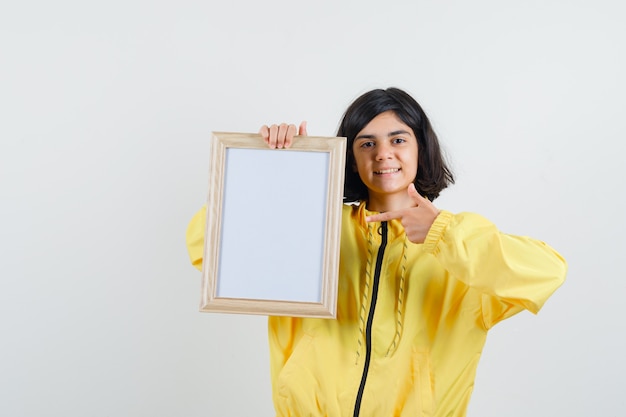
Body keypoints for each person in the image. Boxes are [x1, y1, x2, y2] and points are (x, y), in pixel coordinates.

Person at [186, 87, 567, 417]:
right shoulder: (313, 226)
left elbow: (549, 272)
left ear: (421, 148)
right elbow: (206, 247)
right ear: (350, 157)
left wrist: (442, 234)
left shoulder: (460, 244)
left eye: (398, 140)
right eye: (367, 143)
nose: (383, 153)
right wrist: (272, 169)